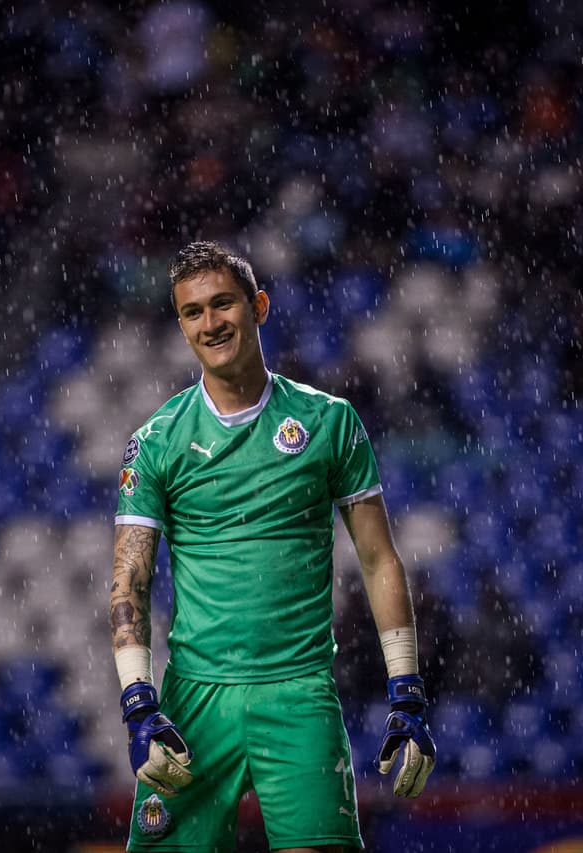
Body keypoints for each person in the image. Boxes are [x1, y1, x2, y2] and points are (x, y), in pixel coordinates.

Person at [108, 240, 436, 853]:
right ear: (181, 325)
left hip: (300, 694)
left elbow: (378, 559)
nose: (211, 323)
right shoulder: (155, 442)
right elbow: (130, 580)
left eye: (224, 303)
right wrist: (138, 705)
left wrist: (407, 693)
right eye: (193, 312)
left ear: (258, 306)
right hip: (193, 704)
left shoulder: (329, 422)